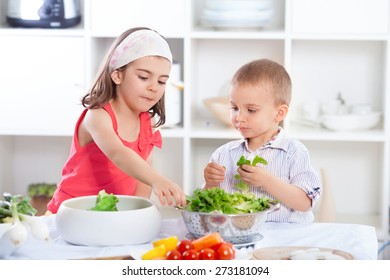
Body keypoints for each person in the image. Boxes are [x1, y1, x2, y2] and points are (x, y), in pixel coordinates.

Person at [47, 27, 186, 214]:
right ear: (117, 75)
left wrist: (136, 214)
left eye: (162, 81)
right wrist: (157, 180)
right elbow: (118, 153)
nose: (154, 87)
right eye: (144, 77)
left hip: (114, 217)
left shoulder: (148, 124)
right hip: (72, 212)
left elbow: (142, 182)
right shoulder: (98, 116)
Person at [203, 59, 321, 223]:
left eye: (251, 110)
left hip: (286, 236)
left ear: (279, 113)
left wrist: (267, 181)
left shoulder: (294, 152)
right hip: (240, 234)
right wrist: (210, 183)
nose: (239, 117)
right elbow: (208, 205)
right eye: (234, 108)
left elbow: (305, 203)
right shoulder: (224, 154)